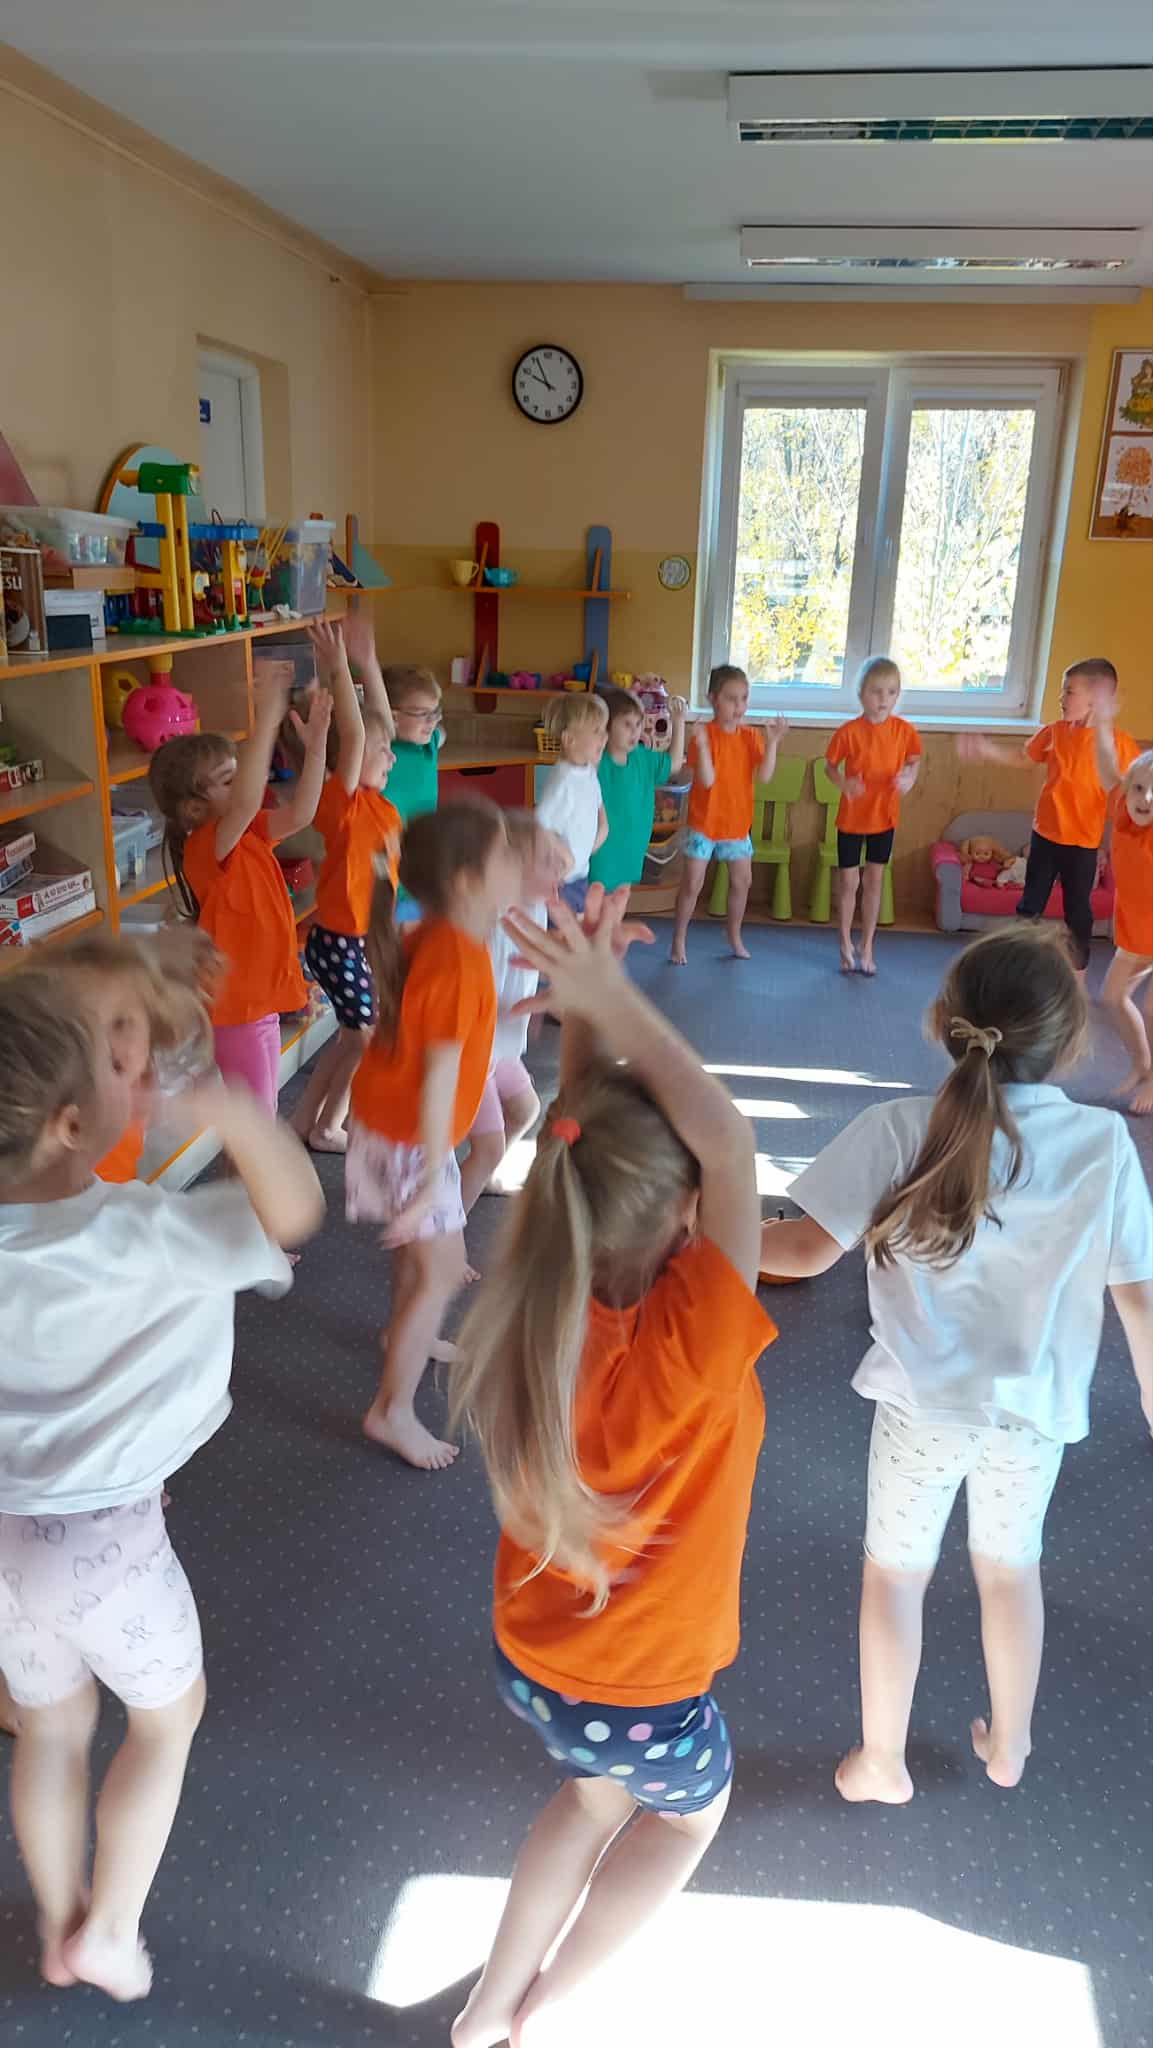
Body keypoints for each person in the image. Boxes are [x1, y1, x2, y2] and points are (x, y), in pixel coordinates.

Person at [448, 890, 775, 2048]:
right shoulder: (694, 1343)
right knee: (681, 1823)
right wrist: (608, 1001)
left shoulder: (535, 1300)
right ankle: (537, 2006)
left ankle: (487, 2004)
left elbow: (584, 1138)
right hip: (639, 1695)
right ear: (687, 1210)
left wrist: (591, 1013)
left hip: (537, 1661)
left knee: (587, 1803)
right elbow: (729, 1142)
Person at [759, 924, 1153, 1806]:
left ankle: (881, 1761)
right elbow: (1140, 1299)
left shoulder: (897, 1128)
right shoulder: (1101, 1146)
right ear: (1070, 1040)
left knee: (896, 1576)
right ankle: (1009, 1743)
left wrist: (700, 1237)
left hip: (919, 1413)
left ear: (944, 1022)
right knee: (1010, 1573)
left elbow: (799, 1252)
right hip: (1033, 1419)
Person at [0, 962, 323, 2002]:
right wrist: (231, 1110)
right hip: (107, 1547)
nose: (131, 1073)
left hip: (6, 1545)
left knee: (52, 1727)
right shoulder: (142, 1232)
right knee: (165, 1721)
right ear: (68, 1125)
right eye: (113, 1064)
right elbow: (294, 1212)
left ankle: (57, 1914)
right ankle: (109, 1929)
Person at [346, 799, 520, 1471]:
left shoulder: (445, 939)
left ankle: (402, 1332)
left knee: (421, 1267)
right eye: (506, 855)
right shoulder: (457, 959)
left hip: (393, 1127)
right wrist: (426, 1183)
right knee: (442, 1273)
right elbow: (438, 1078)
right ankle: (390, 1410)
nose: (517, 864)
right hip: (412, 1140)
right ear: (468, 881)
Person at [149, 672, 331, 1112]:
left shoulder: (247, 834)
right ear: (195, 808)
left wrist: (316, 746)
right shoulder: (206, 847)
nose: (247, 785)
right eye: (228, 780)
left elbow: (302, 813)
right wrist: (266, 719)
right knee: (258, 1125)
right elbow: (249, 800)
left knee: (261, 1118)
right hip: (238, 1015)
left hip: (258, 1008)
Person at [291, 620, 400, 1151]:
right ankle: (329, 1127)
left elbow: (378, 731)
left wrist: (366, 664)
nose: (392, 757)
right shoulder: (342, 804)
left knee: (350, 1038)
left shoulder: (376, 803)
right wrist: (338, 669)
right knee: (365, 1040)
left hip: (358, 941)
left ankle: (305, 1122)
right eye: (383, 752)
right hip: (339, 942)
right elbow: (357, 737)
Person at [957, 658, 1141, 972]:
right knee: (1030, 905)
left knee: (1077, 912)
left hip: (1083, 843)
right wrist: (987, 750)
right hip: (1045, 835)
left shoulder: (1118, 744)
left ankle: (1078, 974)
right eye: (1062, 690)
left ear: (1096, 698)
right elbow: (1023, 757)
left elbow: (1134, 785)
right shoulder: (1055, 732)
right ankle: (1017, 965)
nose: (1061, 698)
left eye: (1069, 691)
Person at [460, 813, 572, 1211]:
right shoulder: (495, 920)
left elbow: (530, 963)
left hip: (500, 1047)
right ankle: (446, 1231)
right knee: (488, 1146)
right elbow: (476, 990)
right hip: (475, 1053)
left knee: (525, 1110)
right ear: (512, 868)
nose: (560, 869)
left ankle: (481, 1177)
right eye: (548, 861)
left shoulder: (533, 906)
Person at [669, 663, 786, 965]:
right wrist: (703, 746)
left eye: (744, 698)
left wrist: (773, 743)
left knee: (742, 881)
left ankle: (734, 935)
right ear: (713, 699)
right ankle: (679, 938)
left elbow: (765, 776)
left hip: (736, 825)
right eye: (731, 699)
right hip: (703, 824)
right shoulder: (702, 735)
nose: (739, 706)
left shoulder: (750, 736)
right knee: (692, 884)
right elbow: (707, 780)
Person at [825, 656, 921, 977]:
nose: (883, 699)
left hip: (885, 817)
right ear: (861, 693)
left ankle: (867, 945)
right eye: (876, 692)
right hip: (852, 819)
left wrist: (909, 778)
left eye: (891, 692)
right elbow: (829, 767)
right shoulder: (848, 732)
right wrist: (844, 783)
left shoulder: (904, 731)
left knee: (875, 881)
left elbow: (914, 761)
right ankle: (844, 943)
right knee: (849, 882)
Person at [1093, 715, 1153, 1113]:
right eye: (1140, 788)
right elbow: (1106, 767)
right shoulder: (1124, 814)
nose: (1146, 799)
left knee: (1152, 1010)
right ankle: (1142, 1063)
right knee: (1112, 998)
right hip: (1137, 934)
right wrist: (1101, 724)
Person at [588, 685, 687, 895]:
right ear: (606, 726)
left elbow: (674, 764)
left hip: (631, 853)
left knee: (618, 906)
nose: (635, 731)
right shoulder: (596, 762)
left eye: (638, 723)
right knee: (596, 907)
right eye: (627, 724)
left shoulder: (643, 757)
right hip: (599, 855)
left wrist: (678, 722)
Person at [380, 658, 445, 925]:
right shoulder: (382, 752)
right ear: (393, 716)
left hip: (422, 872)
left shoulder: (429, 745)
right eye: (422, 713)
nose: (431, 721)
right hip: (388, 875)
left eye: (435, 712)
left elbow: (440, 733)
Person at [534, 693, 610, 916]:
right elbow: (536, 825)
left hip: (580, 876)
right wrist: (565, 858)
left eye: (604, 729)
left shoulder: (588, 772)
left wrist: (595, 839)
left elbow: (598, 815)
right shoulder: (563, 780)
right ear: (569, 740)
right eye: (596, 731)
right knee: (563, 934)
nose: (605, 737)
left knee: (575, 931)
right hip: (561, 882)